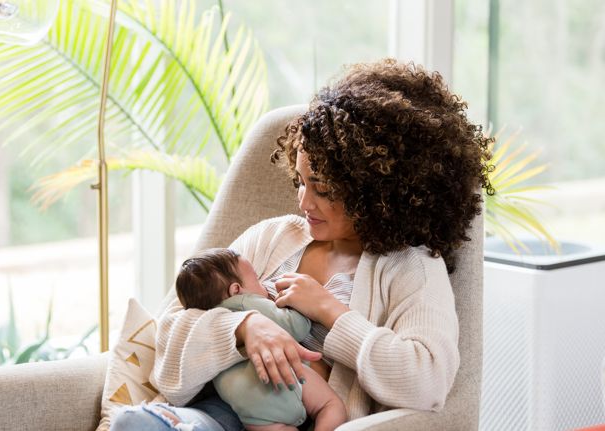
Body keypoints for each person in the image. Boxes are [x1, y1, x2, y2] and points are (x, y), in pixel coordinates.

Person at [110, 58, 492, 431]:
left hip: (309, 418)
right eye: (300, 181)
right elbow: (169, 329)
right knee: (134, 423)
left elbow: (427, 382)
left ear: (376, 191)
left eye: (322, 189)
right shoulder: (272, 237)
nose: (304, 203)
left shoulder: (412, 267)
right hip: (215, 413)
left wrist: (330, 311)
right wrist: (244, 327)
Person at [174, 247, 347, 431]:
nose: (264, 285)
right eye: (257, 279)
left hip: (247, 407)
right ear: (236, 290)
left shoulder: (205, 318)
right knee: (330, 406)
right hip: (282, 380)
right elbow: (296, 327)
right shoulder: (246, 302)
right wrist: (299, 306)